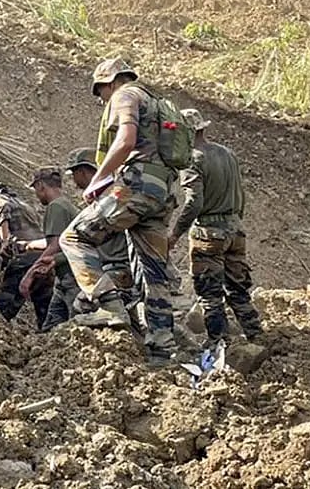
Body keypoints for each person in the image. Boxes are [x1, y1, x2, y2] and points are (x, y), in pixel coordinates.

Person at [59, 57, 180, 366]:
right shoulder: (156, 101)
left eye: (101, 93)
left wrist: (98, 179)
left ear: (110, 82)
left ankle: (109, 306)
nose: (102, 100)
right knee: (155, 273)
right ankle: (162, 351)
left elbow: (125, 141)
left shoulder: (125, 95)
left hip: (135, 187)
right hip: (162, 192)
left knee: (73, 238)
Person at [167, 108, 262, 347]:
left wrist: (175, 234)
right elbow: (241, 193)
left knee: (209, 294)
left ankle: (220, 343)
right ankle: (256, 335)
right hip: (235, 229)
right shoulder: (227, 153)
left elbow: (193, 202)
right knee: (238, 288)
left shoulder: (191, 160)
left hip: (209, 233)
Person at [59, 148, 134, 326]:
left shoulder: (107, 200)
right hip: (129, 270)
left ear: (83, 171)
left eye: (74, 174)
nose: (74, 181)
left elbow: (75, 240)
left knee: (81, 306)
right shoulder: (118, 195)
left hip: (117, 271)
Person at [20, 166, 79, 331]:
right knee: (51, 327)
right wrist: (28, 245)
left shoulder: (56, 207)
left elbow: (55, 244)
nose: (37, 194)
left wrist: (30, 274)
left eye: (36, 190)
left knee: (79, 327)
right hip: (64, 278)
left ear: (40, 186)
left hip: (73, 278)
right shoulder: (66, 205)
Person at [0, 183, 46, 323]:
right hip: (42, 255)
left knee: (5, 302)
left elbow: (2, 207)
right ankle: (49, 334)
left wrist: (5, 242)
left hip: (23, 254)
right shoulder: (25, 205)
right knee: (43, 302)